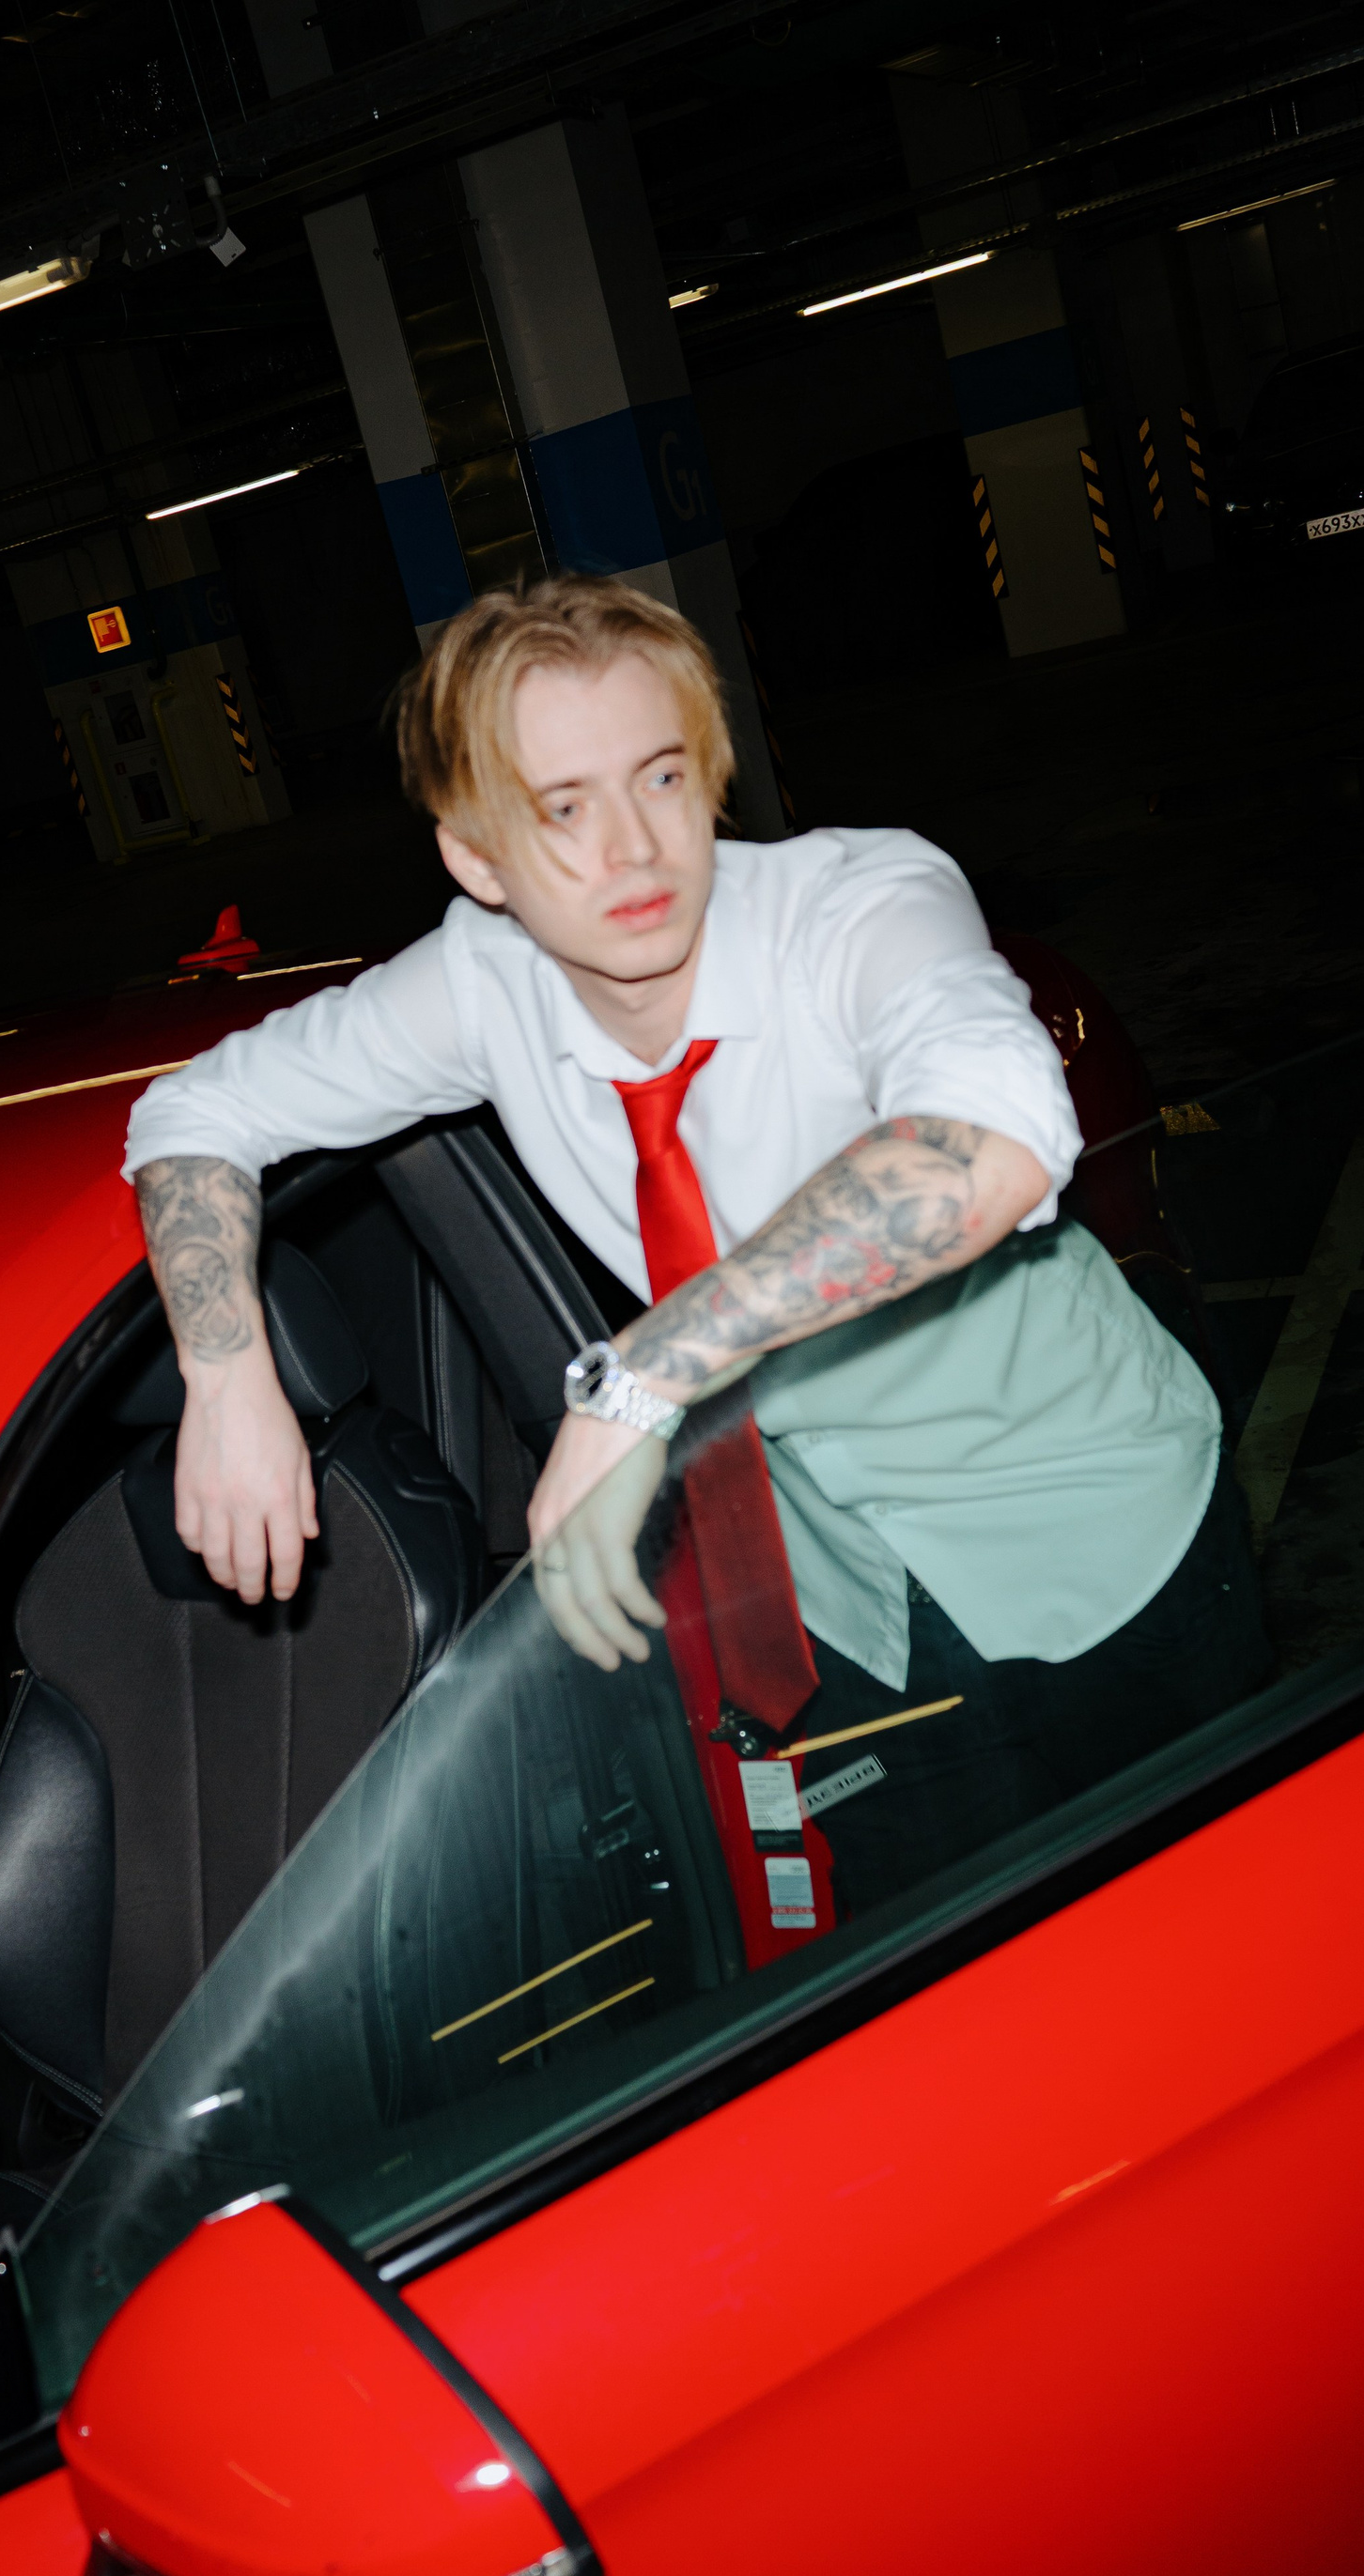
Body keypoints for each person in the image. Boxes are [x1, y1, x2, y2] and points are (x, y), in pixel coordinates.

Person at [124, 576, 1267, 1913]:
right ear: (477, 858)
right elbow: (192, 1115)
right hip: (854, 1606)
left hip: (1100, 1535)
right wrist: (229, 1378)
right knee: (960, 1982)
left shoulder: (859, 904)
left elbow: (995, 1136)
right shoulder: (481, 982)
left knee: (1217, 1928)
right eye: (562, 808)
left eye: (661, 778)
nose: (634, 848)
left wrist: (642, 1377)